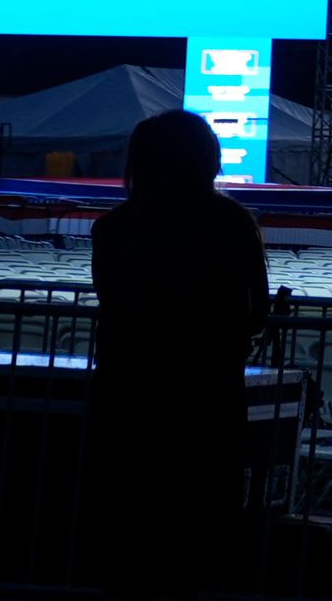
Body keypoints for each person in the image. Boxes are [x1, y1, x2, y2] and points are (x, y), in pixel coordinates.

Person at [89, 108, 269, 599]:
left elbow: (117, 307)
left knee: (131, 537)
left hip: (129, 398)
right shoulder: (233, 225)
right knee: (201, 537)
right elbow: (254, 311)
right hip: (207, 400)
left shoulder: (113, 230)